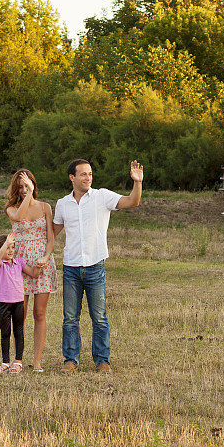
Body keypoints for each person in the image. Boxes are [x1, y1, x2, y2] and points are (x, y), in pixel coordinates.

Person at [52, 158, 144, 373]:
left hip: (95, 267)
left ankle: (102, 360)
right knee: (70, 318)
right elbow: (52, 233)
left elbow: (133, 202)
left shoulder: (102, 196)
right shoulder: (63, 203)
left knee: (100, 317)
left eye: (90, 173)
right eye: (83, 174)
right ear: (72, 178)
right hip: (71, 268)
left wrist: (137, 182)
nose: (88, 177)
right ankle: (70, 360)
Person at [4, 170, 58, 372]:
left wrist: (45, 256)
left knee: (39, 313)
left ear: (33, 185)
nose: (24, 190)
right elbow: (18, 218)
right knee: (20, 313)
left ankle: (37, 361)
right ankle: (17, 359)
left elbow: (51, 238)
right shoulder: (12, 208)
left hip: (42, 264)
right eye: (21, 186)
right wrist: (28, 196)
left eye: (28, 185)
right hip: (19, 264)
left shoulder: (45, 207)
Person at [0, 232, 43, 374]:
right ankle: (5, 362)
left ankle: (18, 361)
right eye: (7, 248)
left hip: (18, 302)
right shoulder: (0, 264)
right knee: (5, 332)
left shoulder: (19, 262)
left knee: (18, 331)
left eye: (12, 247)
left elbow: (33, 273)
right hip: (3, 303)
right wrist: (6, 242)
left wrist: (39, 265)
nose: (10, 251)